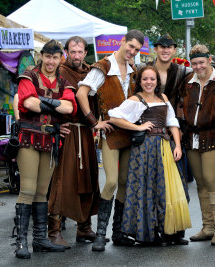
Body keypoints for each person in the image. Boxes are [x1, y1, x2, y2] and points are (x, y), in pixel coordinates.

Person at [76, 29, 144, 252]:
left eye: (136, 49)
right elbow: (81, 93)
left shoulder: (133, 69)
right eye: (130, 46)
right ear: (122, 42)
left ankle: (118, 233)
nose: (132, 51)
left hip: (129, 132)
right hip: (110, 132)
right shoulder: (103, 66)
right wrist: (93, 121)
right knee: (112, 181)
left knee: (124, 182)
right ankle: (101, 234)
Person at [108, 65, 191, 245]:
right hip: (145, 148)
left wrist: (177, 145)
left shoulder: (163, 97)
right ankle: (150, 233)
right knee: (148, 189)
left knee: (171, 188)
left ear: (157, 81)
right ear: (140, 81)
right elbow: (114, 118)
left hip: (164, 145)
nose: (149, 82)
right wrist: (138, 127)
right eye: (145, 79)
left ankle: (171, 232)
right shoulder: (135, 99)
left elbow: (172, 122)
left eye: (152, 79)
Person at [14, 40, 77, 259]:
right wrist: (55, 103)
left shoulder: (64, 81)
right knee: (28, 189)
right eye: (48, 57)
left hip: (50, 140)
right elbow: (28, 104)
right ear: (42, 56)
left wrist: (41, 100)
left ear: (61, 59)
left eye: (55, 57)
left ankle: (40, 240)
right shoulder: (28, 76)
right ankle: (21, 242)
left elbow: (70, 108)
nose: (51, 61)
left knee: (43, 191)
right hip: (29, 137)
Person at [47, 36, 100, 248]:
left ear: (85, 52)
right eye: (73, 51)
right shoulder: (58, 70)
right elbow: (47, 98)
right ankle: (54, 231)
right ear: (67, 51)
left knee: (87, 180)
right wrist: (55, 126)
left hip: (87, 132)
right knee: (63, 183)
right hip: (67, 133)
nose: (76, 56)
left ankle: (84, 227)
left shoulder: (91, 72)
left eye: (80, 52)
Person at [177, 44, 215, 246]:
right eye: (195, 63)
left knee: (211, 180)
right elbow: (181, 105)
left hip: (212, 135)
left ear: (209, 60)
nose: (198, 67)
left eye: (201, 62)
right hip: (191, 136)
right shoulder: (188, 81)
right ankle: (207, 227)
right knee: (199, 182)